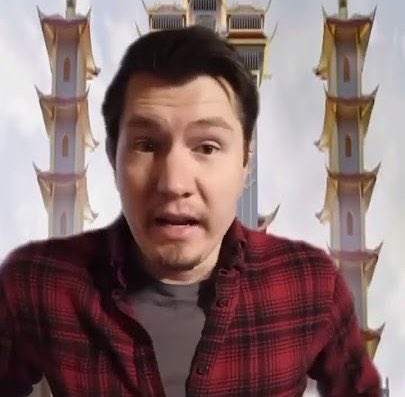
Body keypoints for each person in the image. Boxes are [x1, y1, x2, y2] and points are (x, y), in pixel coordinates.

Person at [0, 26, 381, 396]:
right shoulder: (39, 283)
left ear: (245, 162)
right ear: (113, 158)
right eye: (147, 144)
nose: (173, 183)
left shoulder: (309, 286)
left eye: (207, 147)